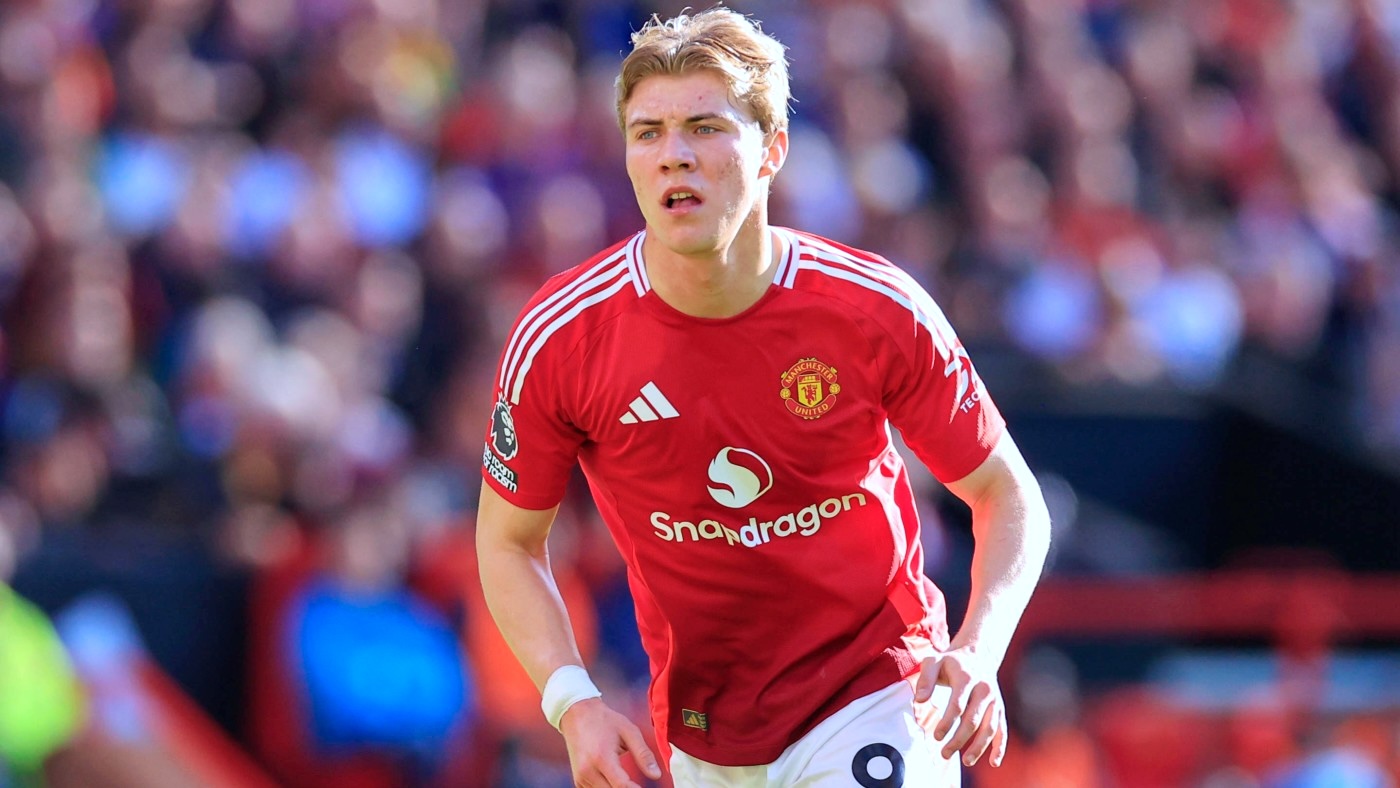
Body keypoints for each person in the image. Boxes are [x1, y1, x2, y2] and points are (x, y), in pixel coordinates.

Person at [475, 7, 1052, 787]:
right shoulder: (562, 337)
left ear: (773, 149)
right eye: (648, 133)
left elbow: (1007, 493)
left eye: (705, 128)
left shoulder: (873, 308)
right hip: (704, 734)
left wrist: (978, 650)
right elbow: (509, 541)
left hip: (877, 692)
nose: (674, 155)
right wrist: (572, 701)